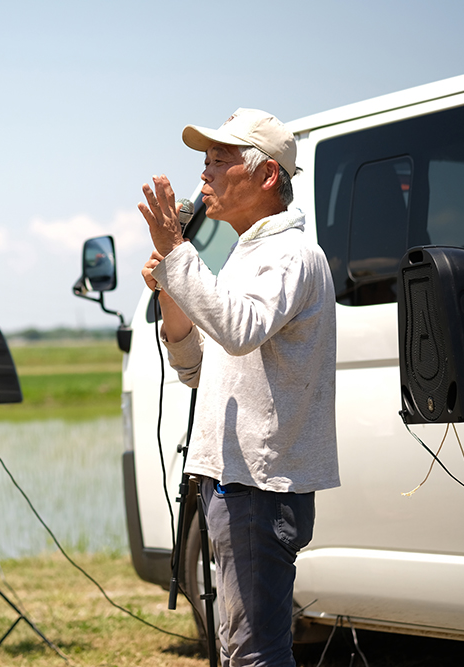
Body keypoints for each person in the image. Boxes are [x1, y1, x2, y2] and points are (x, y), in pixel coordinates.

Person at [138, 109, 340, 666]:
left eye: (219, 161)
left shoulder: (291, 255)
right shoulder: (243, 255)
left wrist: (180, 255)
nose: (204, 175)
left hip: (258, 483)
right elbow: (198, 369)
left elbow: (239, 329)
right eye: (204, 161)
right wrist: (172, 294)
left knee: (254, 652)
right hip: (233, 478)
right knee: (236, 646)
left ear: (268, 175)